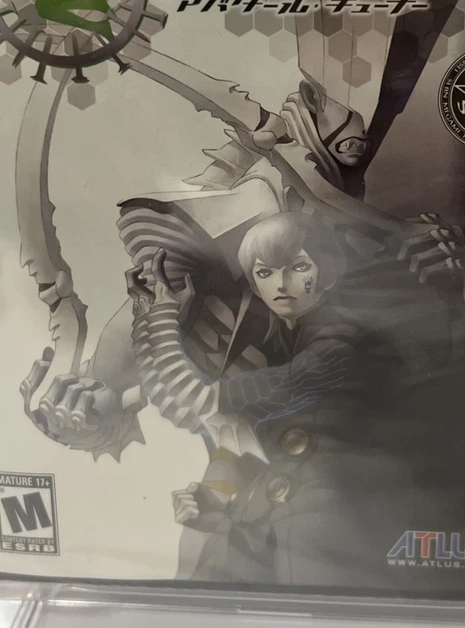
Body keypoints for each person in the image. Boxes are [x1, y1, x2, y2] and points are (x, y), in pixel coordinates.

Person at [129, 211, 414, 587]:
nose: (281, 284)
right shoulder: (288, 336)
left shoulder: (341, 343)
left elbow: (194, 400)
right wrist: (220, 506)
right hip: (292, 515)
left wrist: (159, 317)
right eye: (265, 272)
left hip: (349, 522)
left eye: (298, 267)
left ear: (328, 272)